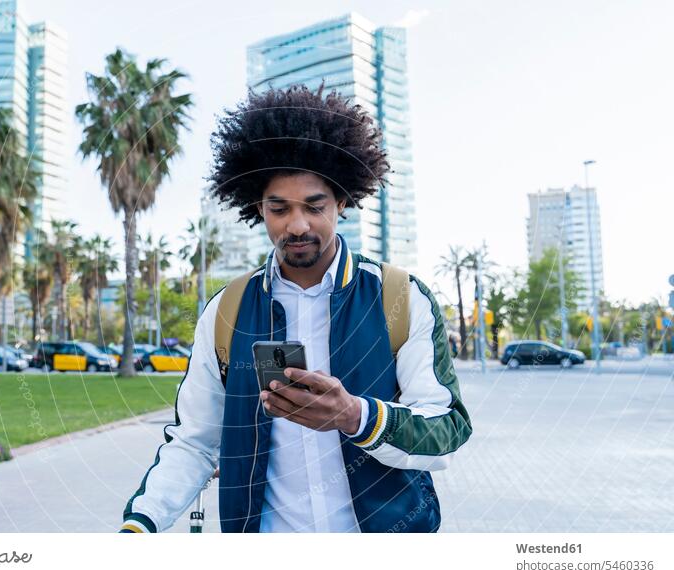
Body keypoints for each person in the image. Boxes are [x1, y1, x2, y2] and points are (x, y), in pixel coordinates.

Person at [120, 84, 472, 533]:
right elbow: (194, 442)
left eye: (314, 206)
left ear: (342, 202)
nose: (297, 224)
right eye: (279, 208)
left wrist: (356, 417)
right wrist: (140, 525)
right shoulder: (227, 311)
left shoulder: (398, 297)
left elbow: (445, 433)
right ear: (258, 209)